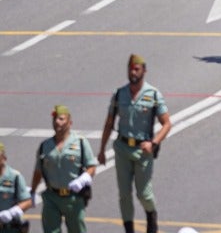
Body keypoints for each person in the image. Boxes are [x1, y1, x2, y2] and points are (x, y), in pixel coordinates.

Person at [98, 53, 171, 233]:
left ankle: (151, 218)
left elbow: (167, 123)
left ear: (144, 71)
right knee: (124, 195)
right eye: (130, 69)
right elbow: (109, 123)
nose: (133, 73)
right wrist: (101, 150)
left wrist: (153, 143)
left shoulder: (152, 94)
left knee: (144, 194)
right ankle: (129, 229)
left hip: (142, 151)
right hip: (122, 148)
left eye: (136, 69)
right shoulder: (119, 94)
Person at [30, 106, 96, 233]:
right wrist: (32, 192)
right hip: (51, 197)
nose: (56, 122)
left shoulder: (80, 142)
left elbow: (91, 167)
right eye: (55, 119)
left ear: (70, 122)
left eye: (61, 119)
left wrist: (83, 180)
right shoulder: (45, 146)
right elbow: (38, 171)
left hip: (74, 198)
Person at [0, 140, 32, 222]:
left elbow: (27, 202)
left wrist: (11, 213)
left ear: (4, 158)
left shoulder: (14, 177)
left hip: (8, 227)